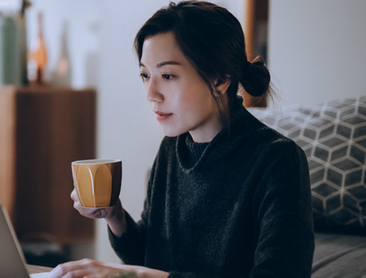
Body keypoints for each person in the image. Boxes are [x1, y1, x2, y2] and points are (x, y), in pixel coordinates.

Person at [48, 1, 314, 277]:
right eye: (144, 75)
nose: (151, 93)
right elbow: (149, 256)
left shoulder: (278, 160)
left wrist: (137, 275)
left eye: (167, 75)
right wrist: (114, 215)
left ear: (220, 79)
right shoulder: (172, 150)